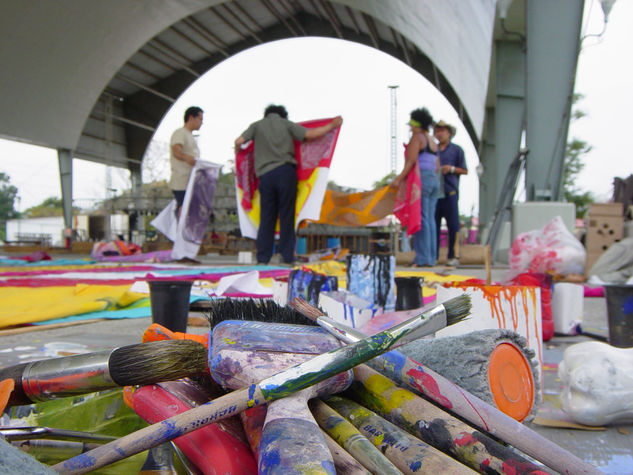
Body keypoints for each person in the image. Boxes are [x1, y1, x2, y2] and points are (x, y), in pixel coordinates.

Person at [234, 105, 342, 264]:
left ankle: (263, 258)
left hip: (266, 176)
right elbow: (311, 134)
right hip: (286, 174)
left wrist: (238, 151)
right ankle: (287, 256)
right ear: (283, 115)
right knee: (287, 216)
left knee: (267, 218)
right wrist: (332, 125)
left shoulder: (257, 125)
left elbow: (239, 141)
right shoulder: (287, 124)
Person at [393, 107, 440, 267]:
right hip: (434, 179)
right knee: (431, 220)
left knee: (421, 219)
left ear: (417, 125)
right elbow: (437, 165)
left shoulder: (417, 137)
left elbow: (411, 160)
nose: (410, 127)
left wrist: (399, 179)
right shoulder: (432, 139)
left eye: (412, 124)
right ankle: (431, 258)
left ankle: (423, 259)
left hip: (422, 180)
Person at [434, 119, 467, 266]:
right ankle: (433, 256)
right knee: (433, 225)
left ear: (449, 133)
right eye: (437, 131)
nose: (440, 134)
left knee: (453, 226)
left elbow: (465, 170)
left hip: (450, 192)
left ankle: (453, 256)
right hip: (434, 194)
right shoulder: (432, 149)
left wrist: (451, 169)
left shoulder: (456, 150)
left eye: (442, 131)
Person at [170, 106, 204, 216]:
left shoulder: (191, 136)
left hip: (192, 181)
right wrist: (188, 158)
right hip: (182, 182)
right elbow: (176, 151)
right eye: (200, 119)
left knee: (191, 211)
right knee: (183, 209)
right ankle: (180, 231)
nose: (201, 123)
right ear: (191, 118)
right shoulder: (180, 133)